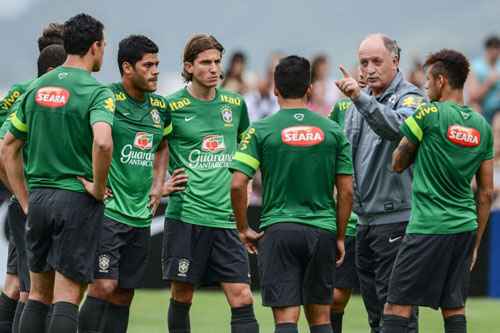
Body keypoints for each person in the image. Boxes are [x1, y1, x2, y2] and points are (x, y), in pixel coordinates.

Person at [2, 13, 114, 333]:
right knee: (66, 296)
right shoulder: (97, 93)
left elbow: (7, 148)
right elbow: (103, 142)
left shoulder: (36, 88)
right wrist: (97, 186)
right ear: (95, 47)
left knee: (37, 294)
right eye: (103, 46)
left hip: (38, 199)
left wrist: (25, 199)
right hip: (76, 199)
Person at [230, 55, 353, 333]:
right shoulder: (333, 130)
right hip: (322, 231)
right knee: (321, 319)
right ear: (309, 88)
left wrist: (243, 228)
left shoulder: (260, 130)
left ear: (275, 89)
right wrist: (341, 236)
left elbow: (237, 184)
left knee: (286, 320)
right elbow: (346, 191)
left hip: (279, 230)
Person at [77, 34, 185, 333]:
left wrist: (157, 183)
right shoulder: (107, 99)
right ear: (127, 67)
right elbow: (89, 139)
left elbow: (163, 144)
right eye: (148, 65)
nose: (155, 71)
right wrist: (88, 178)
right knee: (103, 286)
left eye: (157, 64)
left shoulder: (160, 107)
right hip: (108, 213)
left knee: (124, 293)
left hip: (140, 216)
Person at [381, 49, 493, 333]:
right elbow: (485, 194)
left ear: (441, 80)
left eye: (428, 82)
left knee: (396, 306)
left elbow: (397, 162)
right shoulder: (483, 126)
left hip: (427, 227)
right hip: (464, 228)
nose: (425, 88)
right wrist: (477, 243)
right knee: (454, 307)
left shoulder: (428, 113)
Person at [162, 34, 258, 333]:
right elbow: (151, 150)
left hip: (227, 219)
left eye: (217, 61)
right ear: (189, 67)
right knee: (182, 295)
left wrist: (248, 178)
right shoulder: (170, 106)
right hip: (186, 217)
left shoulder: (234, 103)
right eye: (206, 62)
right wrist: (159, 186)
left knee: (242, 297)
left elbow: (247, 141)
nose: (214, 68)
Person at [334, 33, 425, 333]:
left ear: (395, 61)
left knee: (398, 314)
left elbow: (400, 130)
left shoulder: (410, 97)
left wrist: (359, 99)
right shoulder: (359, 102)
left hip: (397, 219)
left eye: (377, 61)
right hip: (365, 222)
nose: (369, 69)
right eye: (363, 62)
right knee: (376, 314)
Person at [0, 23, 64, 333]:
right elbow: (4, 149)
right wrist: (22, 197)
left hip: (29, 202)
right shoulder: (26, 95)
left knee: (16, 283)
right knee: (33, 290)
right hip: (32, 203)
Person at [467, 35, 500, 123]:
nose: (495, 52)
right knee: (475, 110)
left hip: (497, 110)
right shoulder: (476, 67)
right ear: (487, 50)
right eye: (492, 48)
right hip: (481, 107)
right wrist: (488, 83)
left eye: (497, 48)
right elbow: (473, 96)